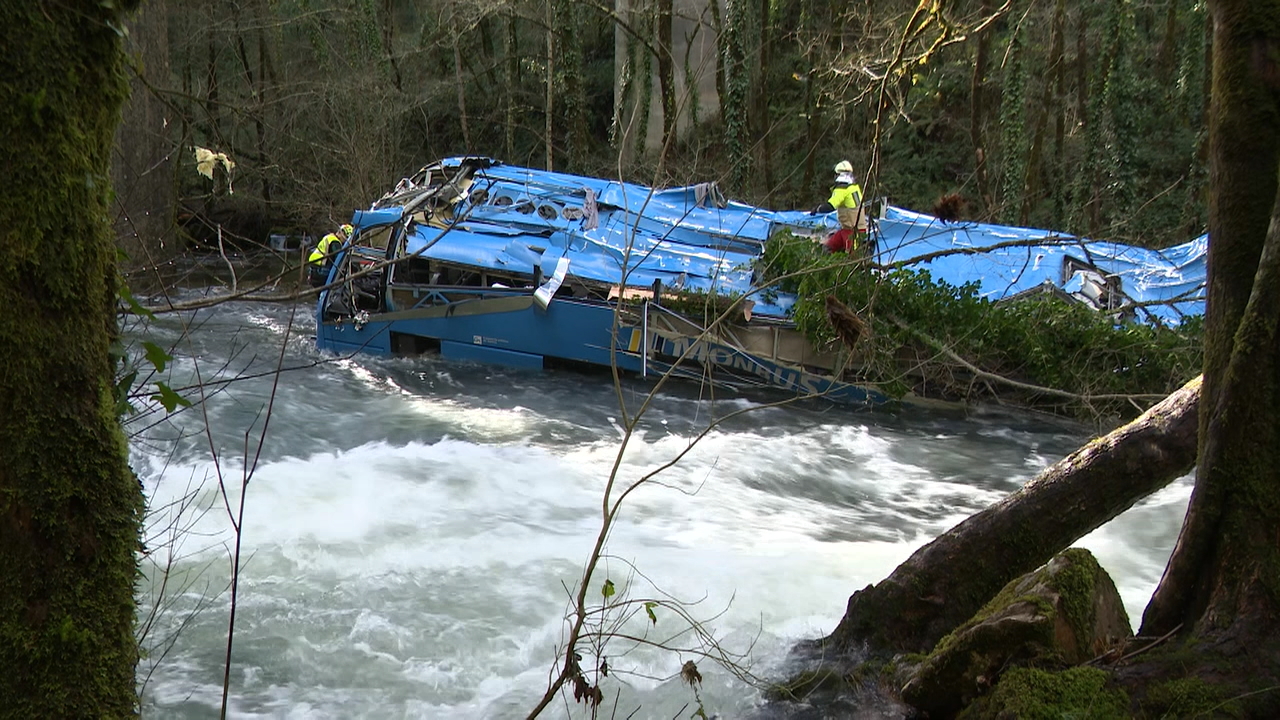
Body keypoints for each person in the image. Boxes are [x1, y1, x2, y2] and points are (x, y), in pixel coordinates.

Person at [812, 160, 866, 254]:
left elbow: (830, 207)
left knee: (852, 259)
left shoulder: (842, 190)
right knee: (828, 248)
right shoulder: (854, 188)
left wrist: (817, 209)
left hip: (852, 232)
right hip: (853, 230)